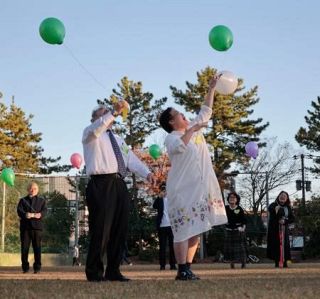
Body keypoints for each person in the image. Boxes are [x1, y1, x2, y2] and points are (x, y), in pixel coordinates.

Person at [159, 75, 227, 280]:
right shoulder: (171, 138)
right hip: (181, 190)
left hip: (200, 189)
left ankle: (188, 267)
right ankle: (180, 269)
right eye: (179, 114)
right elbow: (180, 147)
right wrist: (193, 129)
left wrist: (212, 88)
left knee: (197, 229)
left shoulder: (193, 128)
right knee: (182, 230)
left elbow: (206, 110)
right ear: (172, 122)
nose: (184, 115)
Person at [82, 100, 153, 282]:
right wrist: (113, 111)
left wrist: (148, 174)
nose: (108, 114)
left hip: (119, 184)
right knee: (101, 229)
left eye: (108, 112)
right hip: (101, 184)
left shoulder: (119, 140)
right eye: (103, 112)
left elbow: (131, 160)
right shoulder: (90, 133)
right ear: (94, 118)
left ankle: (113, 270)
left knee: (120, 229)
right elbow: (100, 126)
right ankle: (94, 272)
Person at [17, 182, 47, 274]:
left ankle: (37, 267)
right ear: (28, 189)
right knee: (24, 249)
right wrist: (25, 214)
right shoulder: (22, 200)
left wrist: (40, 214)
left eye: (34, 188)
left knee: (37, 248)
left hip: (37, 228)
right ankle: (25, 268)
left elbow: (45, 211)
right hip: (25, 228)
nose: (32, 190)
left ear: (37, 190)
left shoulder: (42, 200)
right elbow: (19, 211)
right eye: (31, 188)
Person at [267, 191, 294, 268]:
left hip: (284, 230)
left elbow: (292, 218)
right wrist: (279, 218)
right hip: (274, 229)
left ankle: (285, 262)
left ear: (287, 198)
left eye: (285, 196)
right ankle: (277, 262)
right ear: (278, 196)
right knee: (276, 245)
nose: (282, 197)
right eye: (281, 195)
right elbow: (274, 213)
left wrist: (285, 221)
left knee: (284, 246)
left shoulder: (288, 207)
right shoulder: (273, 205)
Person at [153, 183, 176, 271]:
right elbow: (154, 206)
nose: (164, 191)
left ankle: (173, 265)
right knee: (162, 247)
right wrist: (159, 197)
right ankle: (162, 265)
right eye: (163, 190)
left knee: (172, 246)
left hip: (171, 226)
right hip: (162, 226)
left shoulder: (172, 199)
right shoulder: (159, 200)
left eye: (165, 189)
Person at [224, 192, 247, 269]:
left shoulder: (239, 209)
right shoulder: (225, 208)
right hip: (228, 230)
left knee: (240, 247)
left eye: (234, 197)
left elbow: (244, 220)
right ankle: (232, 264)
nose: (232, 199)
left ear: (237, 199)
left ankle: (243, 263)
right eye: (230, 197)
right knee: (230, 248)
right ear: (228, 199)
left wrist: (242, 228)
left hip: (238, 230)